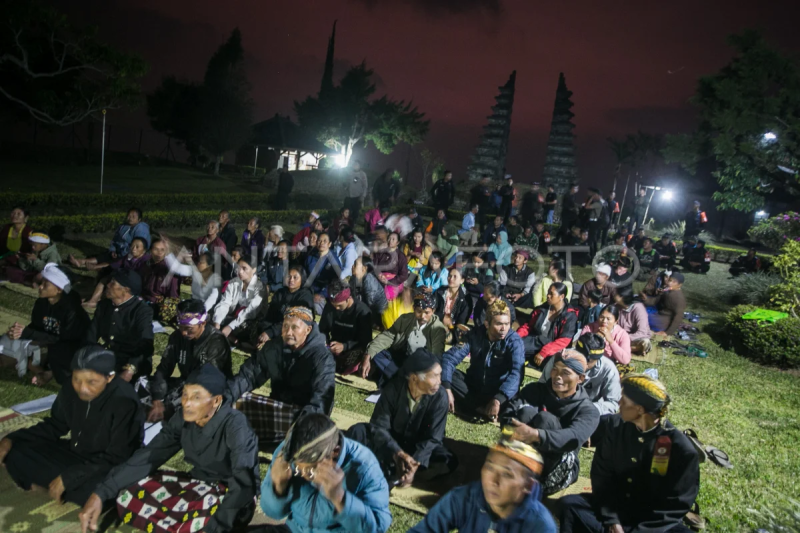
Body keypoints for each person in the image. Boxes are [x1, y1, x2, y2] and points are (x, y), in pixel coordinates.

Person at [80, 364, 260, 533]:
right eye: (185, 395)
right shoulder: (182, 418)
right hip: (200, 484)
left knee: (207, 515)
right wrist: (101, 493)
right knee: (131, 489)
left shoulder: (235, 425)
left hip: (233, 494)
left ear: (216, 401)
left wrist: (215, 527)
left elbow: (244, 483)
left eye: (196, 397)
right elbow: (150, 454)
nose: (187, 403)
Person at [0, 345, 144, 507]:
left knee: (99, 492)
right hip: (76, 454)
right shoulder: (70, 388)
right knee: (18, 451)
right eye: (77, 379)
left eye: (91, 382)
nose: (82, 388)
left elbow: (118, 456)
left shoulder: (125, 402)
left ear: (109, 378)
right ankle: (58, 486)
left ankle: (59, 486)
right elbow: (55, 425)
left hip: (110, 466)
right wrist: (12, 438)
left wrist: (69, 477)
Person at [559, 374, 700, 533]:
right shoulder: (615, 426)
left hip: (651, 523)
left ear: (640, 409)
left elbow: (675, 505)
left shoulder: (680, 449)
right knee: (570, 505)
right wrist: (612, 520)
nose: (619, 403)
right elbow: (602, 476)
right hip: (617, 510)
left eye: (624, 400)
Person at [261, 413, 392, 533]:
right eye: (298, 470)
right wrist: (278, 487)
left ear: (335, 451)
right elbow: (272, 513)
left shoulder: (365, 466)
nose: (304, 476)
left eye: (310, 470)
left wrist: (341, 500)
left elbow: (376, 529)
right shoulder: (289, 452)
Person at [409, 428, 556, 533]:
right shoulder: (464, 498)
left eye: (507, 474)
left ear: (528, 485)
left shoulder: (540, 525)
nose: (493, 480)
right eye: (490, 468)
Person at [347, 349, 456, 486]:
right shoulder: (393, 388)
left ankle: (400, 469)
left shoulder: (440, 397)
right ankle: (392, 466)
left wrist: (414, 463)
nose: (439, 382)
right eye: (434, 376)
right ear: (415, 378)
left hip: (418, 447)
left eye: (440, 375)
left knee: (447, 459)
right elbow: (379, 425)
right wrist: (397, 453)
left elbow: (433, 437)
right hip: (393, 443)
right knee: (359, 431)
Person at [229, 306, 336, 444]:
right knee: (235, 402)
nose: (288, 332)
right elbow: (248, 375)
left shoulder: (322, 358)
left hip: (303, 414)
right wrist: (225, 398)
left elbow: (322, 398)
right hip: (278, 408)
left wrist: (303, 428)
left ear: (307, 330)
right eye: (285, 326)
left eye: (294, 327)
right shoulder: (274, 348)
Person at [501, 350, 600, 495]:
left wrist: (536, 435)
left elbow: (572, 438)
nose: (557, 376)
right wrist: (512, 429)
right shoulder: (535, 390)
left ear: (581, 378)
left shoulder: (588, 411)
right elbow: (506, 415)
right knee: (525, 412)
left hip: (557, 467)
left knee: (545, 420)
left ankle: (532, 482)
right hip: (521, 459)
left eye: (565, 372)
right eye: (555, 369)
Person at [143, 299, 233, 423]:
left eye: (189, 328)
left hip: (208, 390)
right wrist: (157, 399)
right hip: (185, 384)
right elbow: (164, 369)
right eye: (181, 327)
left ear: (203, 323)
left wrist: (172, 404)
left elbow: (208, 382)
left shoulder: (217, 341)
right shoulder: (177, 337)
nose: (184, 332)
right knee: (142, 383)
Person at [0, 263, 89, 385]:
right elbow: (37, 327)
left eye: (45, 285)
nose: (40, 287)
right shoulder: (41, 303)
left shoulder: (73, 311)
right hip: (45, 344)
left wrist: (27, 333)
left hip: (67, 350)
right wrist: (18, 332)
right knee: (3, 353)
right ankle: (39, 369)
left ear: (59, 289)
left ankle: (46, 371)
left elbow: (62, 340)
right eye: (41, 283)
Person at [441, 299, 524, 422]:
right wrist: (447, 388)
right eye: (499, 324)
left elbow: (517, 373)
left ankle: (482, 407)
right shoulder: (475, 334)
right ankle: (481, 409)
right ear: (487, 324)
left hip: (498, 391)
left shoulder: (515, 342)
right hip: (475, 387)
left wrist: (498, 399)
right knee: (445, 372)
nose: (503, 328)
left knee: (515, 398)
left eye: (507, 324)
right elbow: (449, 358)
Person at [361, 292, 446, 385]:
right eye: (419, 311)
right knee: (377, 354)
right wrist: (368, 355)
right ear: (414, 309)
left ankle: (400, 379)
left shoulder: (438, 329)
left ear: (433, 311)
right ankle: (403, 380)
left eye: (427, 312)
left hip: (421, 365)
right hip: (402, 358)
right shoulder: (405, 319)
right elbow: (388, 336)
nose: (422, 316)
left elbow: (436, 356)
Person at [84, 269, 154, 382]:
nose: (108, 285)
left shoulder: (141, 311)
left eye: (113, 283)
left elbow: (146, 344)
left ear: (126, 290)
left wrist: (131, 368)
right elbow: (92, 333)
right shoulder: (104, 305)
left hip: (130, 359)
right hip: (108, 355)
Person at [539, 333, 620, 416]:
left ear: (598, 359)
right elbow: (541, 385)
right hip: (553, 406)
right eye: (579, 360)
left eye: (588, 362)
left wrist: (586, 409)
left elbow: (613, 403)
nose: (583, 364)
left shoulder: (609, 369)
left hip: (585, 413)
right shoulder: (560, 358)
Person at [251, 265, 315, 349]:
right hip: (278, 326)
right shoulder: (281, 293)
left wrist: (270, 332)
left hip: (293, 329)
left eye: (295, 277)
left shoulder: (305, 296)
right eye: (289, 276)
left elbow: (293, 320)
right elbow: (270, 315)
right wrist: (264, 330)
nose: (291, 280)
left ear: (302, 279)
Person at [517, 283, 579, 367]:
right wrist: (516, 336)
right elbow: (528, 326)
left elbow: (564, 340)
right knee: (515, 347)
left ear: (562, 296)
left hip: (554, 347)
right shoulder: (542, 309)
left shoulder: (569, 316)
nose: (548, 296)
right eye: (548, 293)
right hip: (536, 340)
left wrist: (543, 352)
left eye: (552, 294)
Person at [68, 208, 151, 270]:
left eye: (133, 216)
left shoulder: (141, 229)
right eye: (129, 216)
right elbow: (115, 239)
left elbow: (138, 246)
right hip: (118, 251)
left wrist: (121, 253)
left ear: (139, 219)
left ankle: (93, 267)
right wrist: (113, 250)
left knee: (114, 262)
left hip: (129, 253)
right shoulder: (124, 226)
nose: (130, 218)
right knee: (104, 256)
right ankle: (80, 261)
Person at [319, 279, 373, 375]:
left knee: (353, 357)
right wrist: (324, 341)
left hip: (353, 348)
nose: (336, 308)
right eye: (333, 305)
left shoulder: (362, 311)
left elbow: (365, 340)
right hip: (333, 347)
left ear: (348, 299)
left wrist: (344, 346)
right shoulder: (330, 307)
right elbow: (322, 329)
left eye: (339, 305)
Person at [81, 236, 150, 309]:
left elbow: (138, 277)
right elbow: (115, 264)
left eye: (137, 247)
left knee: (113, 284)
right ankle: (93, 300)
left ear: (144, 250)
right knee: (106, 278)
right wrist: (98, 268)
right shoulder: (129, 256)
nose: (133, 249)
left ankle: (95, 300)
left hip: (134, 285)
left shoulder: (146, 261)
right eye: (132, 246)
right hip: (125, 279)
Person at [213, 254, 265, 344]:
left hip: (250, 320)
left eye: (244, 268)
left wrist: (231, 326)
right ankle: (230, 337)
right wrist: (217, 322)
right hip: (234, 316)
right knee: (214, 317)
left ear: (254, 270)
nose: (240, 271)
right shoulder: (234, 282)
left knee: (248, 327)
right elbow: (225, 302)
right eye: (238, 267)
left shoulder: (259, 287)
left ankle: (233, 337)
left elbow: (250, 312)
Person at [165, 246, 221, 312]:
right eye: (198, 261)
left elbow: (210, 301)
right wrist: (166, 252)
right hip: (190, 304)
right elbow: (176, 268)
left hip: (202, 310)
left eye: (201, 262)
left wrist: (200, 313)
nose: (198, 263)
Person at [140, 237, 182, 324]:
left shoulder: (169, 269)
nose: (159, 253)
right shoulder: (145, 265)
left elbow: (173, 295)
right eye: (156, 249)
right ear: (150, 250)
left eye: (162, 250)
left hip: (158, 304)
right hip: (144, 299)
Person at [306, 232, 343, 313]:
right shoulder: (311, 256)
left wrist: (322, 294)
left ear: (329, 244)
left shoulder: (333, 260)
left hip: (325, 293)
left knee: (315, 306)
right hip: (310, 289)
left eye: (324, 241)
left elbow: (335, 281)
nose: (321, 243)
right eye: (319, 240)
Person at [642, 272, 687, 337]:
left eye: (674, 282)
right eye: (670, 280)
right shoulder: (667, 290)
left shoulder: (678, 298)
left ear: (679, 285)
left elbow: (679, 316)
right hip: (658, 313)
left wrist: (667, 332)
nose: (670, 283)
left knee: (639, 315)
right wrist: (645, 299)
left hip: (662, 321)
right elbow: (655, 301)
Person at [434, 268, 471, 344]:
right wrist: (442, 316)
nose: (451, 279)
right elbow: (432, 310)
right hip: (436, 324)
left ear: (462, 280)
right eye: (450, 276)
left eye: (455, 276)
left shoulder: (466, 298)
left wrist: (450, 326)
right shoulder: (440, 291)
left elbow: (461, 322)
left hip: (452, 330)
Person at [613, 285, 652, 356]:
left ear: (622, 297)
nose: (614, 295)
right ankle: (630, 349)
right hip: (620, 337)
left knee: (645, 342)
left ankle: (623, 348)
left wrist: (623, 337)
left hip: (635, 338)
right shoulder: (616, 306)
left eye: (616, 294)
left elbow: (642, 332)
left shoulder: (638, 308)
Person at [343, 159, 369, 224]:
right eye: (354, 164)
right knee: (346, 211)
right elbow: (346, 182)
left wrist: (363, 196)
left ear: (360, 166)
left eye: (356, 164)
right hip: (348, 196)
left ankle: (353, 224)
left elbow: (365, 186)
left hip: (357, 196)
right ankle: (345, 223)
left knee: (355, 213)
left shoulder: (362, 174)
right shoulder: (349, 173)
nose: (355, 165)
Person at [584, 187, 605, 257]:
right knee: (594, 240)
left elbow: (586, 207)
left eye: (595, 195)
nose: (594, 196)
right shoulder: (602, 203)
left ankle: (590, 254)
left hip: (594, 222)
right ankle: (594, 254)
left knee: (590, 239)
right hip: (595, 222)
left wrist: (591, 199)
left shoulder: (598, 203)